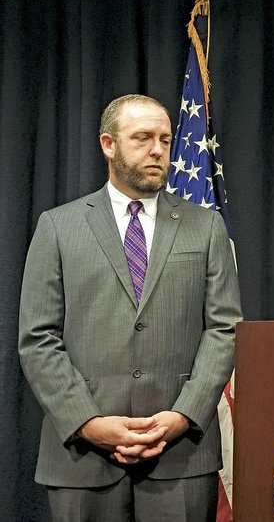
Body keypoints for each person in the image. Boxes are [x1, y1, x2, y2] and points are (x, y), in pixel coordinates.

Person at [18, 94, 242, 521]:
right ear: (108, 144)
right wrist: (87, 422)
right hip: (81, 459)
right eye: (142, 138)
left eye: (165, 139)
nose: (158, 150)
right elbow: (37, 339)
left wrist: (182, 415)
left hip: (181, 458)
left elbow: (224, 329)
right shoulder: (58, 227)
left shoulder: (206, 226)